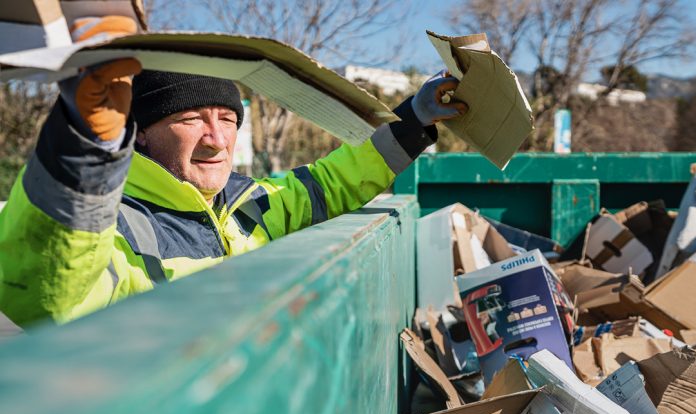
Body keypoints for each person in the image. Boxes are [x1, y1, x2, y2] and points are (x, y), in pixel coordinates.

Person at [0, 16, 466, 328]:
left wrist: (414, 119)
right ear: (139, 132)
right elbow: (45, 299)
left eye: (227, 118)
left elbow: (333, 181)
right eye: (189, 119)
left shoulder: (251, 202)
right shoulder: (118, 227)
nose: (217, 139)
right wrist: (84, 146)